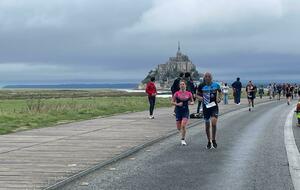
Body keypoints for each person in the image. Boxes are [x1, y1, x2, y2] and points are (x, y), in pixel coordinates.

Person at [196, 72, 222, 149]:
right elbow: (197, 95)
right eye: (206, 76)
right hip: (206, 107)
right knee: (207, 126)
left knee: (213, 123)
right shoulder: (201, 85)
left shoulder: (216, 85)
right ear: (204, 78)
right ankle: (209, 141)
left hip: (214, 106)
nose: (207, 78)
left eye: (209, 76)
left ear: (211, 77)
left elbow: (220, 92)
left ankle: (213, 139)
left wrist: (219, 98)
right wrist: (201, 98)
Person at [172, 81, 194, 146]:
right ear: (179, 86)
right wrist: (177, 104)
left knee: (183, 125)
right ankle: (183, 132)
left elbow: (192, 101)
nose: (182, 85)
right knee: (179, 128)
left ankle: (183, 139)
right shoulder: (176, 93)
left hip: (185, 111)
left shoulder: (189, 93)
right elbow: (172, 102)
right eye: (181, 84)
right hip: (178, 111)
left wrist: (190, 103)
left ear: (185, 85)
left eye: (183, 84)